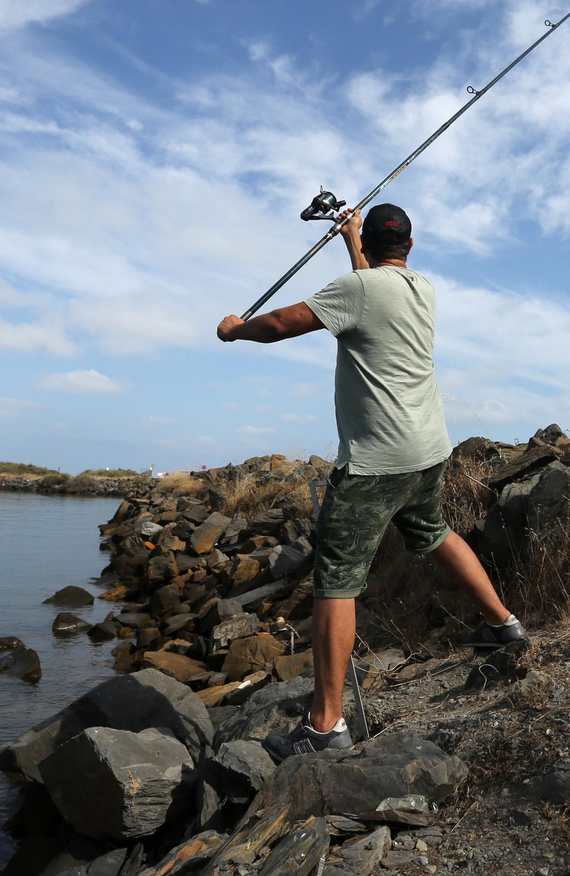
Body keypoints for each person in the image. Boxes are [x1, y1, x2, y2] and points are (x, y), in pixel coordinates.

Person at [216, 203, 525, 759]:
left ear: (378, 247)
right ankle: (504, 624)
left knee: (335, 580)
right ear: (410, 244)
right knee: (432, 532)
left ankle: (326, 725)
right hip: (428, 450)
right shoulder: (422, 289)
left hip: (373, 464)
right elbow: (370, 280)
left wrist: (237, 331)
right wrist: (351, 235)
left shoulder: (356, 292)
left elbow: (285, 323)